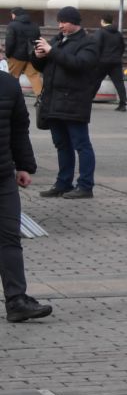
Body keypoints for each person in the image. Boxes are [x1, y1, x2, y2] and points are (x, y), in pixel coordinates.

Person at [28, 8, 101, 200]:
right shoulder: (59, 39)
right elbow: (43, 65)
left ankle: (85, 186)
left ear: (75, 22)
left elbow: (78, 64)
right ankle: (63, 183)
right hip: (54, 101)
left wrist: (52, 52)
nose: (60, 26)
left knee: (81, 144)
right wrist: (38, 56)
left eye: (64, 22)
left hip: (74, 102)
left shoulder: (89, 43)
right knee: (61, 145)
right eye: (59, 22)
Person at [1, 67, 51, 322]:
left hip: (2, 178)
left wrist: (23, 165)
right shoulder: (9, 85)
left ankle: (17, 301)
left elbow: (19, 129)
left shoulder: (9, 86)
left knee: (9, 239)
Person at [95, 16, 127, 112]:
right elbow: (123, 47)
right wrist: (117, 56)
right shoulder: (118, 34)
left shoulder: (100, 32)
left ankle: (87, 101)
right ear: (112, 21)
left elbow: (96, 46)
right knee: (119, 83)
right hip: (116, 62)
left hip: (102, 62)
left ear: (102, 21)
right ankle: (123, 103)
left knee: (95, 81)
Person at [5, 8, 41, 95]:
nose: (12, 16)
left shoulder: (12, 25)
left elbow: (10, 42)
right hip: (31, 56)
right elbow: (38, 40)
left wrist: (8, 54)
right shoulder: (35, 25)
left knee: (13, 77)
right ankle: (41, 97)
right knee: (34, 76)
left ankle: (12, 96)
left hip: (16, 56)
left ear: (15, 14)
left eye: (12, 14)